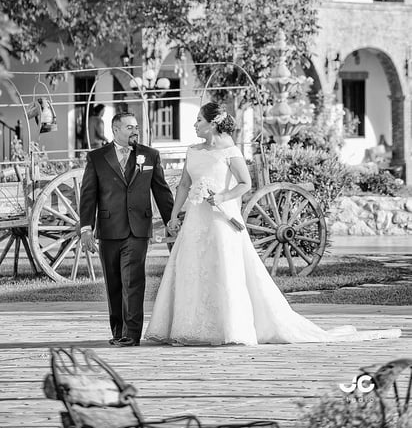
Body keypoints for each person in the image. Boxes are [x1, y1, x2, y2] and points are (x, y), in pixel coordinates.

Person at [145, 102, 401, 346]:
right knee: (192, 267)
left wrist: (221, 197)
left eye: (199, 120)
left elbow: (244, 184)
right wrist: (174, 215)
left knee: (222, 267)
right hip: (195, 220)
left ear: (212, 124)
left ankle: (229, 327)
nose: (195, 124)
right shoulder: (193, 151)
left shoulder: (230, 152)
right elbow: (184, 186)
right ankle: (188, 326)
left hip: (221, 219)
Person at [80, 112, 174, 347]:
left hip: (137, 229)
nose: (135, 130)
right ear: (116, 129)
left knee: (133, 281)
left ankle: (131, 335)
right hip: (109, 228)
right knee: (113, 283)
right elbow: (88, 196)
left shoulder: (149, 155)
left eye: (136, 127)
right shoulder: (97, 158)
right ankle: (118, 331)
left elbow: (161, 191)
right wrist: (85, 229)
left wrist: (173, 220)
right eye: (130, 127)